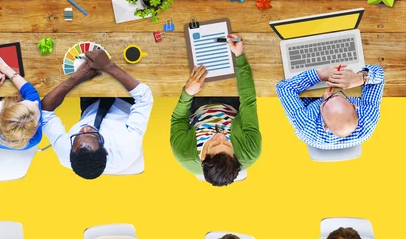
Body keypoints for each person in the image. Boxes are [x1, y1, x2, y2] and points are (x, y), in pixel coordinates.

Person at [41, 51, 153, 179]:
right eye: (93, 134)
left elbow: (45, 110)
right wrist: (108, 66)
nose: (85, 128)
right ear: (105, 151)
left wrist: (76, 77)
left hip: (91, 106)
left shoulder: (66, 152)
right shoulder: (128, 146)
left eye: (78, 134)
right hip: (126, 100)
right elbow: (144, 97)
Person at [170, 35, 261, 186]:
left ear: (204, 155)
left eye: (214, 144)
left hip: (196, 105)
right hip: (232, 104)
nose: (220, 136)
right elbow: (248, 102)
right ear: (235, 156)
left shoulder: (183, 154)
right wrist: (239, 56)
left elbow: (178, 119)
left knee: (184, 54)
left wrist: (187, 93)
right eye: (227, 143)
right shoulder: (250, 151)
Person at [276, 64, 384, 149]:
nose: (327, 93)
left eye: (324, 104)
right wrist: (362, 78)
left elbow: (283, 88)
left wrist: (318, 75)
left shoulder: (306, 124)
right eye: (337, 96)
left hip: (309, 98)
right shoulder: (368, 119)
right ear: (354, 105)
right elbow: (380, 75)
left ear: (325, 126)